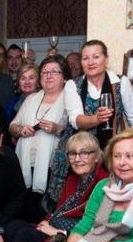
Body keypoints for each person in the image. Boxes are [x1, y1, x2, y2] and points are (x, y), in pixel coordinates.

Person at [0, 131, 108, 242]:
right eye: (72, 153)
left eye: (84, 153)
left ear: (97, 157)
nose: (77, 159)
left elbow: (97, 227)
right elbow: (59, 210)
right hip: (60, 228)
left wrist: (57, 231)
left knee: (25, 235)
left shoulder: (103, 183)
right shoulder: (72, 180)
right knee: (13, 226)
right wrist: (47, 223)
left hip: (76, 239)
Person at [9, 56, 84, 221]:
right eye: (44, 72)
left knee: (46, 215)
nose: (48, 76)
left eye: (54, 72)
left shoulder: (70, 98)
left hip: (54, 170)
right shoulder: (30, 99)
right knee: (25, 212)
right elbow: (12, 127)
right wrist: (20, 129)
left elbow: (78, 131)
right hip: (25, 165)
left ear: (64, 76)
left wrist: (58, 129)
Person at [71, 39, 133, 149]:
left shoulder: (121, 82)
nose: (90, 62)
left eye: (96, 57)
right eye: (85, 58)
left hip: (114, 149)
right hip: (84, 151)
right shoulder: (72, 85)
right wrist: (96, 119)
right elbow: (75, 121)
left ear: (106, 59)